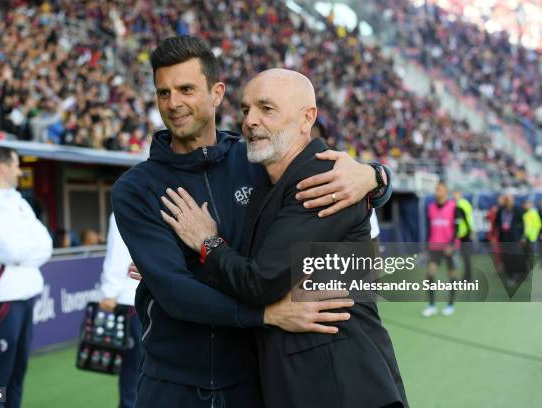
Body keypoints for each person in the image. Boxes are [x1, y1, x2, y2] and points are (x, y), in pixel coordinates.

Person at [112, 36, 393, 408]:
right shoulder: (136, 188)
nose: (173, 103)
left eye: (185, 89)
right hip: (172, 383)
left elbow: (324, 185)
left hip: (254, 382)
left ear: (216, 93)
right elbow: (175, 292)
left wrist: (375, 177)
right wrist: (266, 315)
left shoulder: (258, 160)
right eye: (163, 93)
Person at [0, 146, 53, 408]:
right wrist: (25, 250)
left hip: (26, 296)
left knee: (17, 375)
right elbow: (11, 251)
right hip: (3, 299)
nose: (19, 171)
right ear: (3, 167)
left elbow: (46, 244)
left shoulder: (19, 201)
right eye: (16, 165)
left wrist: (22, 250)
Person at [98, 213, 142, 408]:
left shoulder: (126, 202)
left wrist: (109, 292)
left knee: (133, 372)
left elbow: (118, 254)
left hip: (132, 300)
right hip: (156, 298)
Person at [422, 181, 458, 317]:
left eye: (440, 189)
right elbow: (429, 229)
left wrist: (451, 244)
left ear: (445, 192)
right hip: (434, 246)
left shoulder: (454, 207)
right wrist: (427, 245)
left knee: (451, 274)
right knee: (430, 272)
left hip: (449, 246)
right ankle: (431, 305)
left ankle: (450, 305)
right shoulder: (430, 207)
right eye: (436, 189)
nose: (437, 191)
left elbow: (457, 229)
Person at [495, 193, 525, 288]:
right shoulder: (500, 210)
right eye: (507, 200)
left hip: (514, 237)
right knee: (505, 257)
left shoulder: (518, 210)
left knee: (514, 256)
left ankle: (514, 275)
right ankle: (509, 274)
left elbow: (522, 224)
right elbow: (497, 223)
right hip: (503, 237)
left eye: (511, 200)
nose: (509, 202)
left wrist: (521, 236)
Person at [453, 191, 475, 282]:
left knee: (465, 257)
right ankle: (466, 277)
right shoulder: (465, 203)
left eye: (455, 193)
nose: (454, 195)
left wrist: (470, 231)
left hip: (464, 234)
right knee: (465, 257)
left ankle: (467, 278)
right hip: (465, 233)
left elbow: (466, 219)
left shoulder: (460, 204)